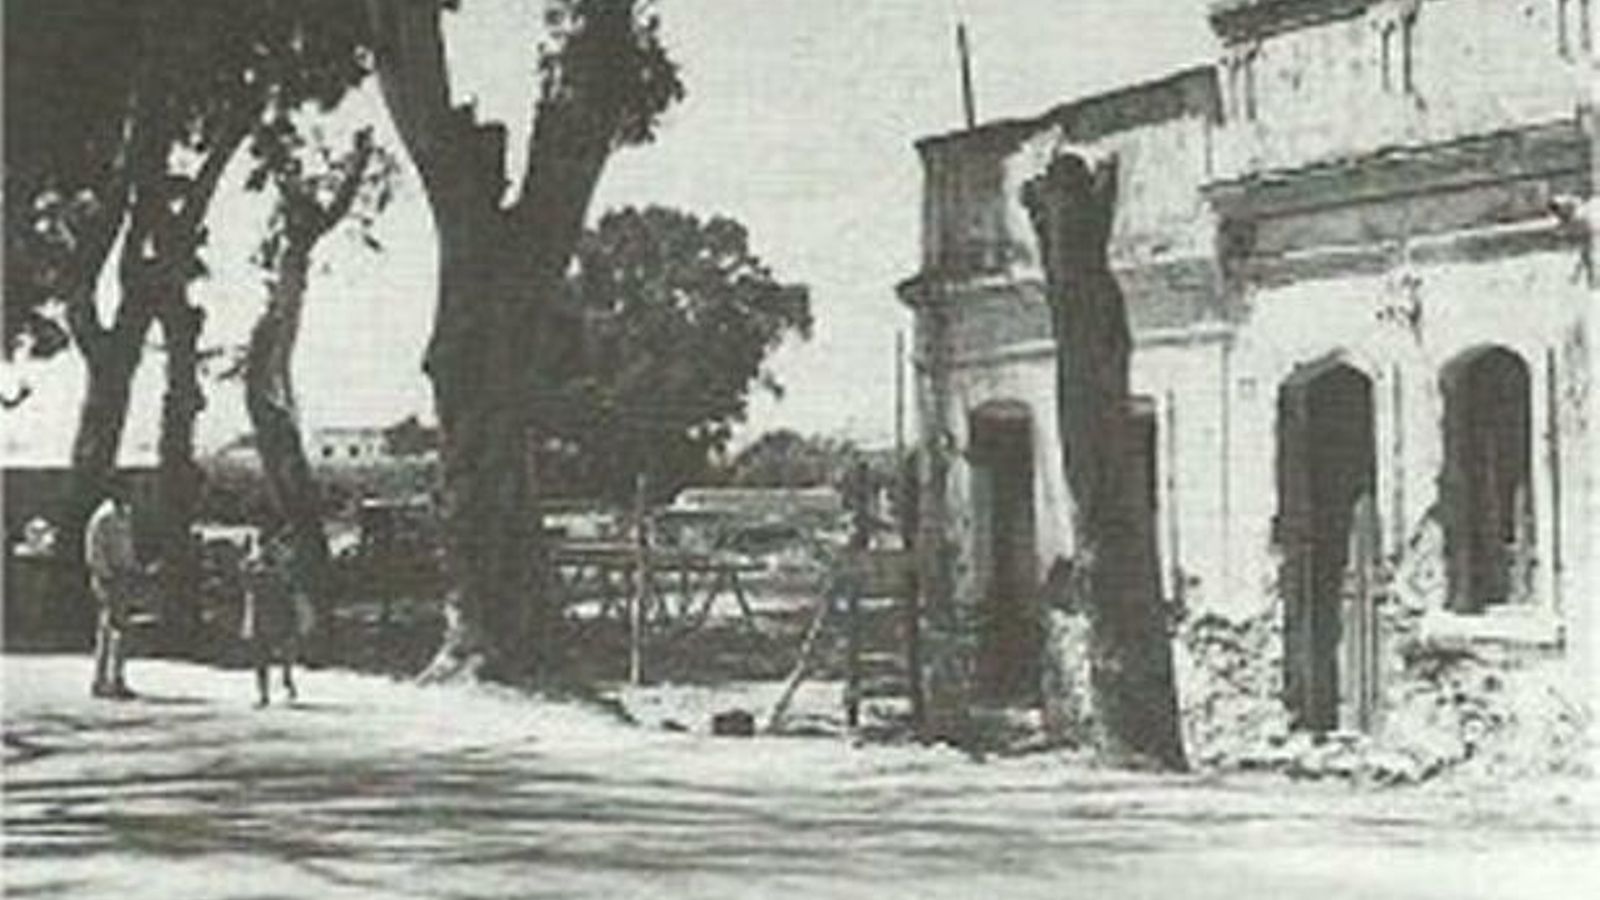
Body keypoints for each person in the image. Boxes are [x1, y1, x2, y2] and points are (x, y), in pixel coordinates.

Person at [85, 477, 141, 699]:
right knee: (116, 629)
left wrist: (134, 567)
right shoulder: (103, 517)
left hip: (124, 574)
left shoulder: (124, 515)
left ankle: (107, 678)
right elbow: (94, 548)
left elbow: (126, 547)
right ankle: (110, 679)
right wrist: (105, 575)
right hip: (110, 577)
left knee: (113, 630)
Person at [240, 536, 312, 707]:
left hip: (267, 620)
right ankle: (284, 681)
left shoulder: (261, 575)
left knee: (262, 659)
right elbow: (296, 597)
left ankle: (266, 693)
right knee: (278, 655)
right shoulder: (283, 576)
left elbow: (248, 592)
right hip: (279, 620)